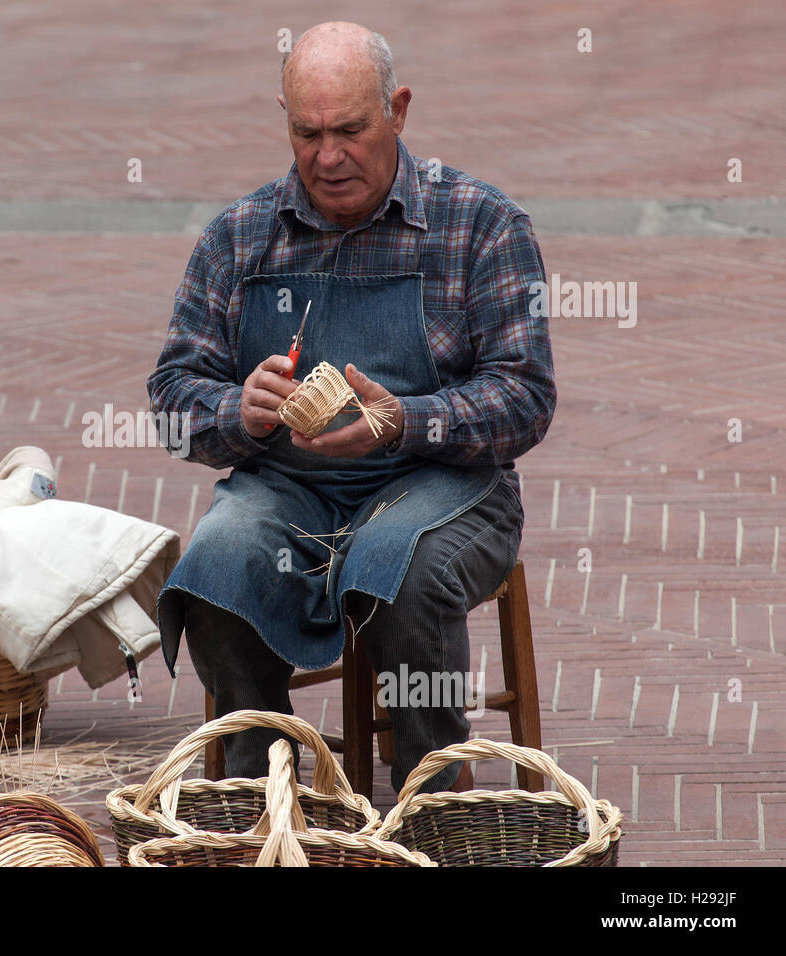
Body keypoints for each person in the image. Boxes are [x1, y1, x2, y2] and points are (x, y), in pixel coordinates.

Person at [147, 21, 555, 792]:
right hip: (289, 492)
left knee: (396, 569)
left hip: (445, 487)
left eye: (350, 130)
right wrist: (241, 408)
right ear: (284, 119)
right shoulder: (239, 238)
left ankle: (431, 795)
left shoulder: (480, 224)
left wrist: (406, 419)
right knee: (215, 563)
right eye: (307, 133)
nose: (328, 158)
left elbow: (526, 398)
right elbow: (173, 397)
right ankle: (261, 786)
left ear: (397, 110)